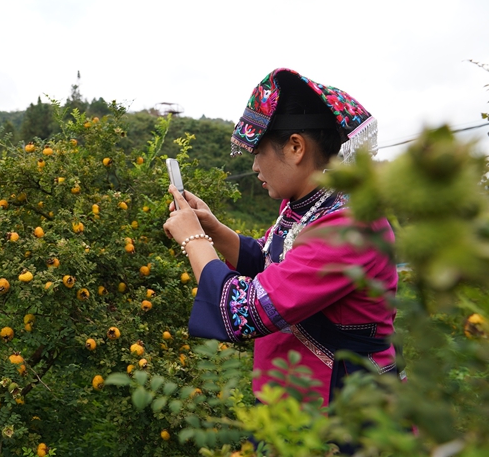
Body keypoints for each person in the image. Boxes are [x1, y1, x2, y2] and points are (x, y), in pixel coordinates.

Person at [163, 68, 398, 410]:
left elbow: (245, 309)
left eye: (258, 152)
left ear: (295, 147)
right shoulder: (311, 205)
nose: (255, 166)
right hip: (295, 394)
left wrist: (193, 238)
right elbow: (272, 260)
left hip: (340, 408)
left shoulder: (348, 228)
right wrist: (213, 228)